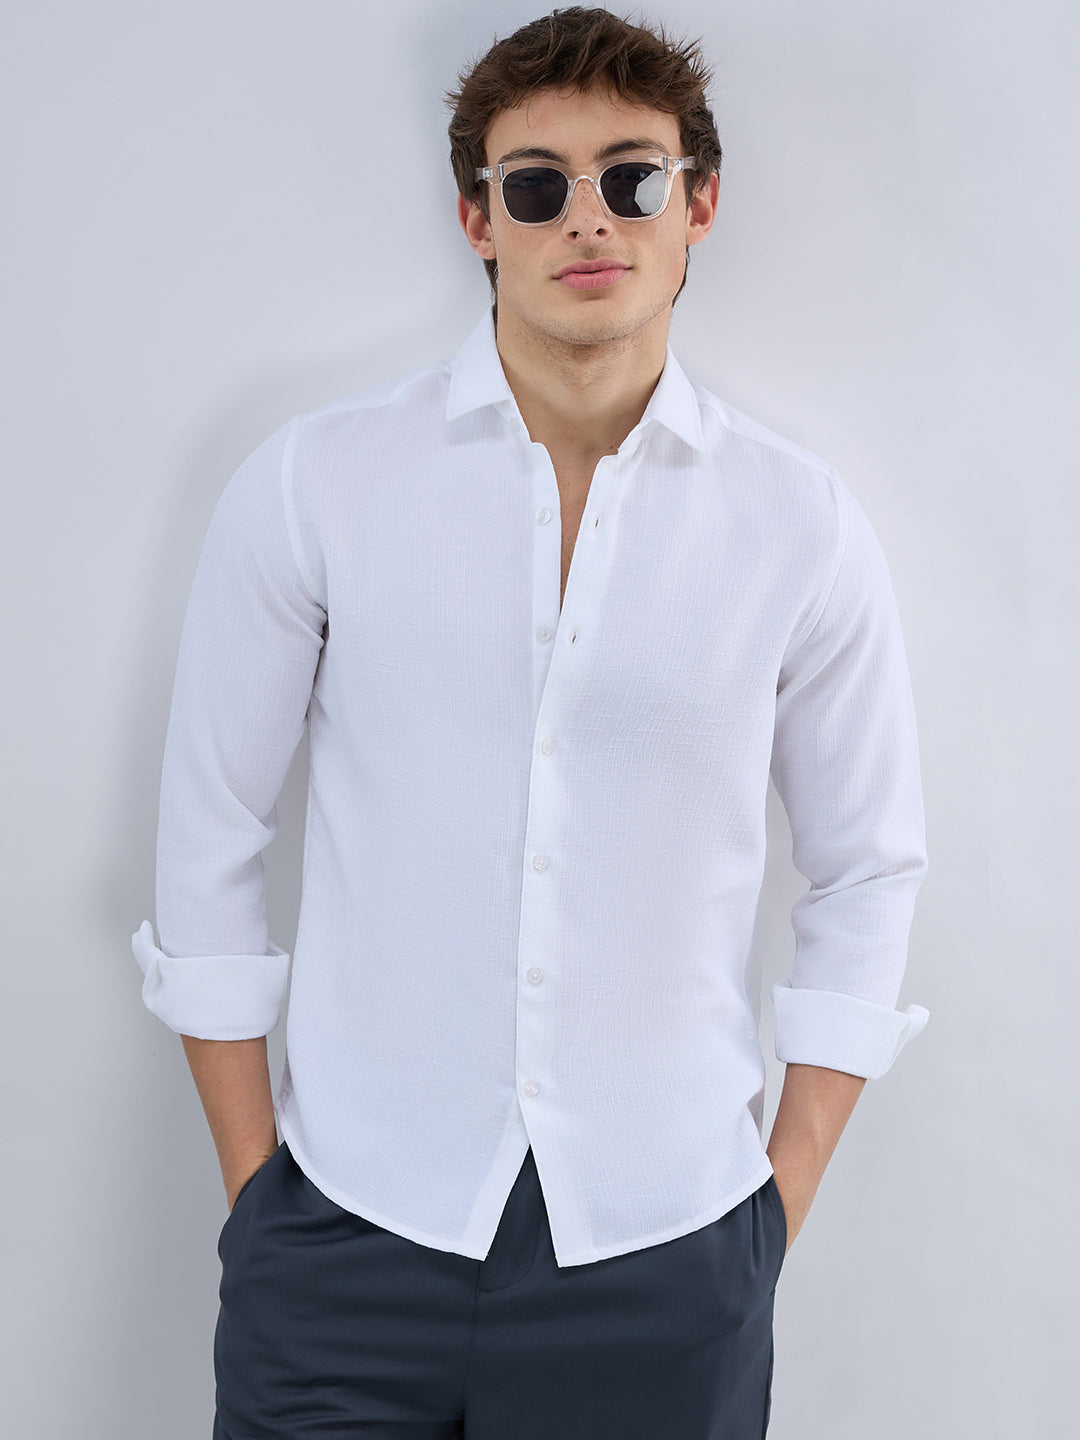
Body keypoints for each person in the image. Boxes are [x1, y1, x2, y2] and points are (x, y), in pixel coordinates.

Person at [131, 7, 930, 1438]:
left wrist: (770, 1214)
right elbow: (208, 839)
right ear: (477, 219)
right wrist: (260, 1200)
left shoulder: (798, 529)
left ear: (698, 205)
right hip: (343, 1239)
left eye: (632, 177)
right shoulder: (317, 486)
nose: (588, 218)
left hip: (668, 1258)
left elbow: (869, 868)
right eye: (538, 183)